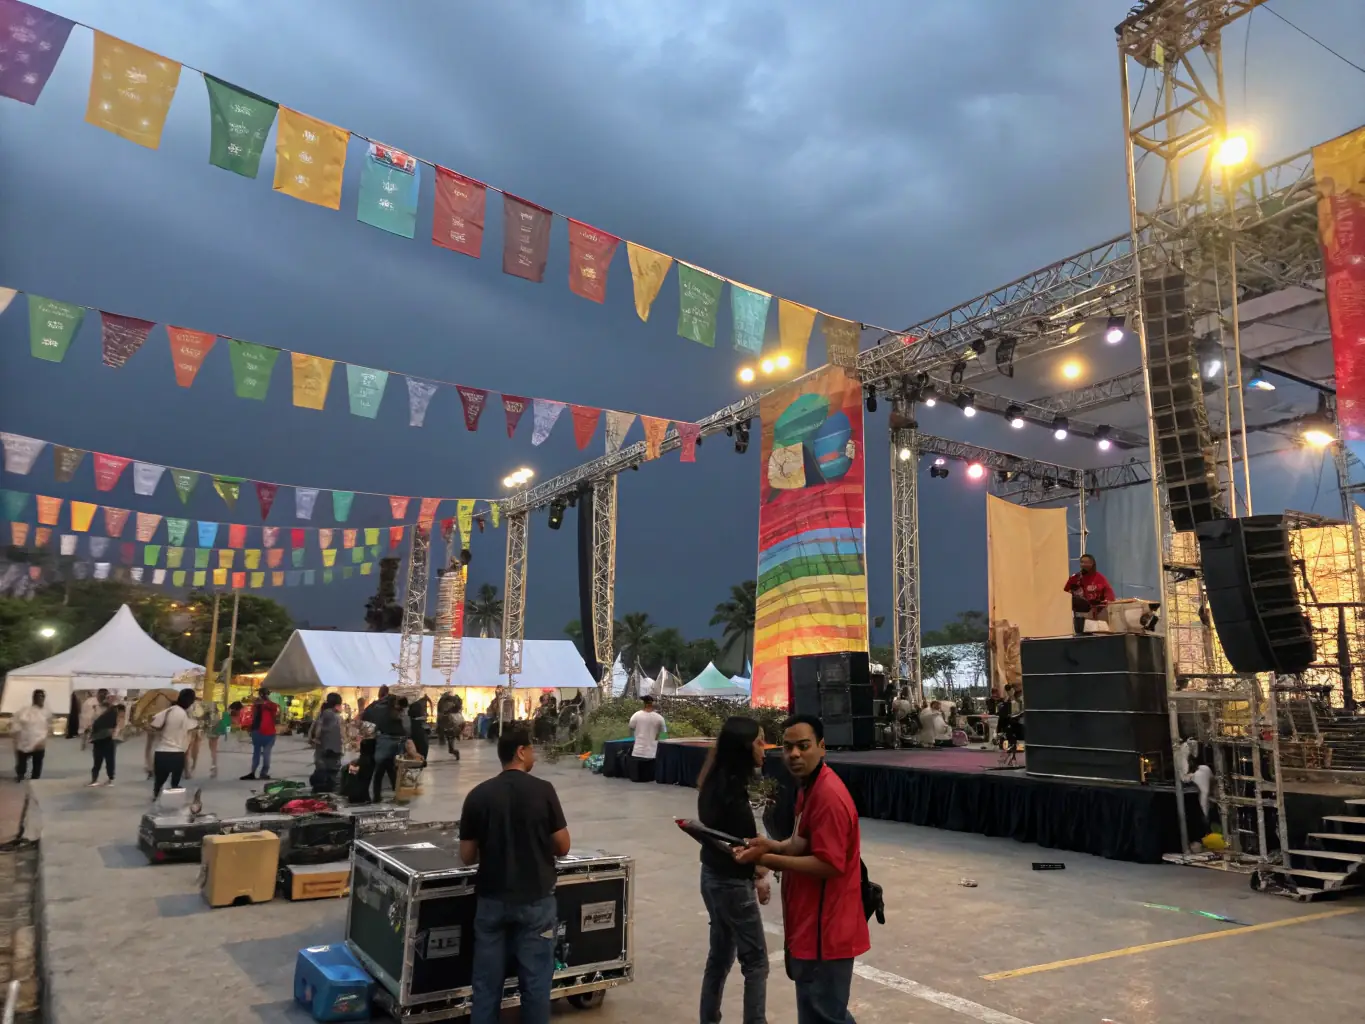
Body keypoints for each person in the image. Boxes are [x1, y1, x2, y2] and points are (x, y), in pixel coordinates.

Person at [736, 715, 869, 1024]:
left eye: (804, 746)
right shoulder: (809, 787)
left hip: (828, 928)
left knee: (825, 1014)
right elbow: (800, 841)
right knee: (815, 1012)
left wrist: (768, 861)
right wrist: (770, 845)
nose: (794, 754)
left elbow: (828, 864)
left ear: (822, 748)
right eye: (788, 747)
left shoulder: (829, 796)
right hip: (810, 925)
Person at [459, 725, 570, 1024]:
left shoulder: (477, 795)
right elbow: (563, 847)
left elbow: (467, 857)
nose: (533, 754)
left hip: (492, 901)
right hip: (536, 901)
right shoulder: (544, 790)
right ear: (521, 752)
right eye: (531, 748)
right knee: (535, 986)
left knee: (485, 986)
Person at [696, 716, 771, 1024]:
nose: (764, 749)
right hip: (732, 884)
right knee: (756, 963)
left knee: (719, 958)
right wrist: (760, 874)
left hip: (711, 878)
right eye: (759, 742)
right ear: (743, 748)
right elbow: (744, 846)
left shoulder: (712, 782)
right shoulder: (733, 795)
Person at [150, 688, 197, 800]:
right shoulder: (183, 714)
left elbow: (154, 722)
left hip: (161, 752)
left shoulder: (169, 710)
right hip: (176, 753)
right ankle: (170, 801)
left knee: (159, 782)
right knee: (174, 783)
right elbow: (192, 726)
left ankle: (156, 797)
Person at [1064, 553, 1116, 634]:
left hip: (1099, 612)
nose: (1083, 564)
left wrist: (1107, 601)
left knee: (1099, 634)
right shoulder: (1076, 578)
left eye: (1086, 562)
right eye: (1081, 562)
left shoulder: (1100, 578)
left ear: (1092, 564)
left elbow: (1109, 593)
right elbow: (1065, 592)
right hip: (1081, 615)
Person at [240, 687, 280, 781]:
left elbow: (274, 707)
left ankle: (261, 773)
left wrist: (264, 702)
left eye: (263, 694)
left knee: (264, 754)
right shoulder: (256, 705)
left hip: (267, 732)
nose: (261, 696)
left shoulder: (270, 705)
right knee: (259, 754)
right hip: (259, 732)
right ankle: (255, 772)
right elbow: (253, 716)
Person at [13, 690, 53, 783]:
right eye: (38, 697)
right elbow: (18, 723)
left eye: (42, 697)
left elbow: (49, 725)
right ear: (33, 698)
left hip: (39, 741)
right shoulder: (26, 711)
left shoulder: (46, 712)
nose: (40, 699)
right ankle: (20, 774)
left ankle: (35, 778)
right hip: (25, 740)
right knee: (22, 759)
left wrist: (45, 737)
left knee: (37, 761)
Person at [309, 692, 345, 792]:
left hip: (322, 750)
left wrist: (316, 740)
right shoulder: (333, 715)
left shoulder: (322, 713)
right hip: (331, 751)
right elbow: (339, 735)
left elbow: (315, 732)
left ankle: (320, 792)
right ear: (337, 704)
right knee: (330, 776)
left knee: (321, 774)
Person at [87, 695, 124, 787]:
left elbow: (119, 723)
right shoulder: (99, 709)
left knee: (107, 759)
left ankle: (109, 779)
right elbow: (93, 722)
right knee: (99, 759)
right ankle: (96, 779)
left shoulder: (114, 711)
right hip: (99, 738)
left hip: (107, 738)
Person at [627, 695, 666, 780]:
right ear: (653, 704)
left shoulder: (636, 715)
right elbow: (663, 734)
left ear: (644, 704)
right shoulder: (660, 718)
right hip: (652, 752)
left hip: (638, 751)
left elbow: (631, 728)